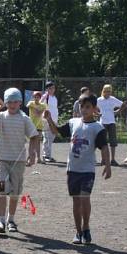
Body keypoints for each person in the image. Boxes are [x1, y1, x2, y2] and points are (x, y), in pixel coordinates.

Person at [43, 94, 111, 244]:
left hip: (87, 170)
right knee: (76, 201)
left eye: (88, 107)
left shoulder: (97, 128)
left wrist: (108, 165)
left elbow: (104, 147)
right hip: (72, 169)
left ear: (94, 109)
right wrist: (48, 119)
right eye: (82, 106)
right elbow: (57, 132)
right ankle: (78, 231)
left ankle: (86, 229)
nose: (84, 110)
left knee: (85, 198)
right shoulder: (73, 123)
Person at [0, 88, 38, 234]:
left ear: (20, 102)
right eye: (9, 102)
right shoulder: (0, 117)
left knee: (14, 193)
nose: (12, 104)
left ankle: (11, 220)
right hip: (1, 160)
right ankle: (0, 221)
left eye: (15, 101)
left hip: (18, 162)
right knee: (1, 190)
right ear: (5, 103)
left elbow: (34, 135)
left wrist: (32, 153)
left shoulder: (24, 118)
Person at [96, 84, 125, 166]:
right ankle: (103, 159)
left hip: (111, 122)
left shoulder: (113, 99)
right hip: (102, 123)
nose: (107, 93)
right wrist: (97, 113)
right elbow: (93, 107)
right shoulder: (99, 100)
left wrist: (118, 111)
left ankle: (113, 159)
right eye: (106, 91)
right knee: (103, 142)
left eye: (109, 91)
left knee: (113, 142)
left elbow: (123, 104)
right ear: (103, 91)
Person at [26, 90, 47, 168]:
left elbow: (39, 113)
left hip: (39, 126)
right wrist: (35, 108)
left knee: (38, 142)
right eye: (35, 96)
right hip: (32, 125)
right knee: (32, 142)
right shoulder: (31, 103)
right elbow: (28, 105)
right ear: (33, 97)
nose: (36, 98)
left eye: (38, 97)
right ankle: (29, 157)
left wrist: (36, 109)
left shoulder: (43, 105)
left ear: (40, 97)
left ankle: (38, 158)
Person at [40, 81, 59, 162]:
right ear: (47, 89)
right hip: (47, 120)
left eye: (53, 88)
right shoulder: (45, 96)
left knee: (51, 137)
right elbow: (40, 105)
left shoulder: (54, 97)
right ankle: (46, 155)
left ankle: (48, 155)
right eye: (51, 88)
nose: (52, 89)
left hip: (54, 120)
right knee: (47, 137)